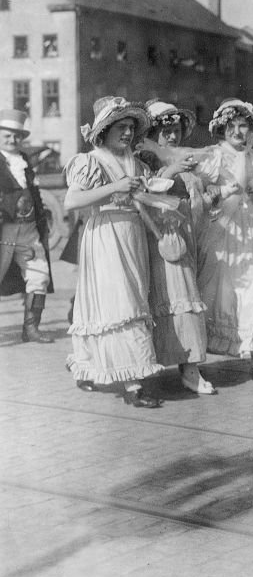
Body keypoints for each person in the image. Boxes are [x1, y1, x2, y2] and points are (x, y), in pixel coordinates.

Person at [64, 97, 163, 408]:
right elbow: (72, 201)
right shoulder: (90, 161)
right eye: (122, 127)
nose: (128, 134)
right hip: (105, 236)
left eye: (132, 128)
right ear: (104, 130)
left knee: (132, 298)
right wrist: (114, 187)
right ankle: (133, 384)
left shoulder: (136, 163)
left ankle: (88, 364)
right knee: (118, 304)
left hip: (132, 236)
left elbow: (142, 202)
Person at [194, 99, 253, 384]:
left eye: (242, 125)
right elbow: (201, 193)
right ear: (222, 128)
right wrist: (219, 191)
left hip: (248, 230)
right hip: (221, 229)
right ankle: (195, 360)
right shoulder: (213, 156)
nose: (237, 131)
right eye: (231, 126)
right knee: (214, 290)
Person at [137, 99, 214, 395]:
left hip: (184, 233)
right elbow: (143, 193)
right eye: (165, 131)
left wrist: (210, 198)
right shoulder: (145, 157)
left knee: (184, 294)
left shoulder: (184, 159)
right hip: (160, 234)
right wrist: (170, 170)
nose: (172, 136)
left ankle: (187, 364)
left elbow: (195, 200)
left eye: (176, 130)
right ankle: (186, 367)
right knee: (178, 296)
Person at [0, 109, 55, 343]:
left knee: (39, 274)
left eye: (16, 136)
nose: (12, 140)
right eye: (6, 136)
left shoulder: (24, 162)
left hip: (29, 231)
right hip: (4, 230)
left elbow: (34, 193)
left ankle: (31, 328)